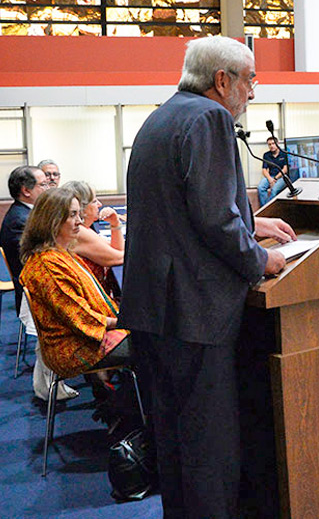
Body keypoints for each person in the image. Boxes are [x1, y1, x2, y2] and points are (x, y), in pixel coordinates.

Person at [120, 36, 294, 517]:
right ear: (222, 80)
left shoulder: (163, 116)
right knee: (208, 449)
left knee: (175, 443)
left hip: (155, 309)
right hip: (195, 313)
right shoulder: (210, 117)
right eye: (251, 79)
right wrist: (260, 259)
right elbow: (214, 220)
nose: (253, 92)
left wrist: (250, 221)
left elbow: (180, 205)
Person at [19, 188, 131, 382]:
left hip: (83, 337)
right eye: (72, 215)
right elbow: (81, 318)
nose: (80, 221)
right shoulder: (48, 266)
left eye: (78, 214)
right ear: (52, 221)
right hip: (75, 348)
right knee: (155, 341)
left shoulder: (59, 253)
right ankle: (135, 405)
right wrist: (126, 322)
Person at [0, 165, 78, 402]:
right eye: (44, 184)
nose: (49, 186)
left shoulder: (24, 215)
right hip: (38, 297)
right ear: (26, 190)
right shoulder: (22, 221)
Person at [62, 181, 124, 296]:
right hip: (95, 301)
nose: (100, 204)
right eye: (94, 201)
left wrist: (115, 223)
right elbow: (118, 258)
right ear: (82, 208)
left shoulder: (84, 229)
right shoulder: (78, 232)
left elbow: (117, 250)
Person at [256, 136, 289, 206]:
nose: (271, 146)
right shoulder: (266, 155)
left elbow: (285, 169)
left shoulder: (284, 153)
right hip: (270, 176)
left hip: (282, 177)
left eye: (273, 143)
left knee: (274, 190)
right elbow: (264, 170)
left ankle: (268, 209)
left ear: (277, 143)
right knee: (260, 187)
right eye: (269, 144)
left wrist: (275, 179)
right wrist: (270, 179)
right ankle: (264, 209)